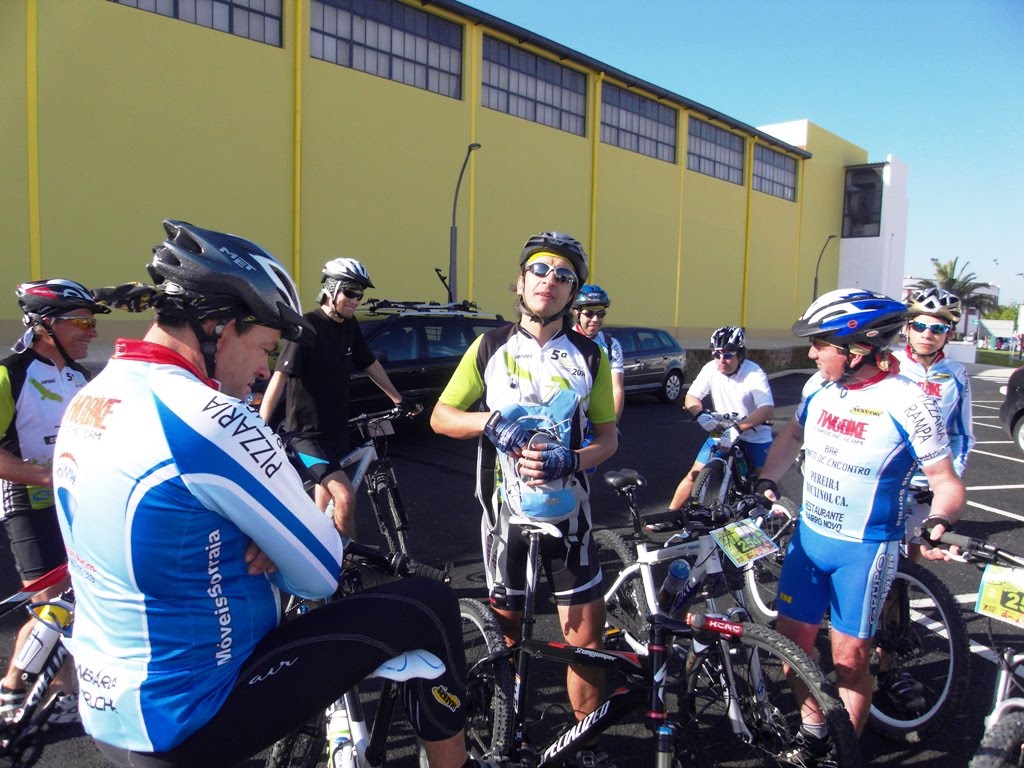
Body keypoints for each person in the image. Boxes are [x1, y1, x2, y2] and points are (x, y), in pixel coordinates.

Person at [52, 220, 485, 768]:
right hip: (194, 710)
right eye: (263, 347)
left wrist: (249, 534)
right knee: (430, 606)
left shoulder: (93, 394)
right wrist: (280, 541)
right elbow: (319, 574)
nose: (263, 370)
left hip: (110, 707)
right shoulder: (209, 418)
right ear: (217, 327)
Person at [430, 231, 618, 768]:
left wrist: (572, 460)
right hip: (505, 517)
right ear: (520, 282)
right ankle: (506, 726)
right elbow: (442, 416)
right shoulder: (490, 347)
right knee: (506, 635)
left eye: (563, 276)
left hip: (570, 517)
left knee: (584, 639)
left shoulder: (590, 355)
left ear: (572, 293)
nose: (549, 281)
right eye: (539, 269)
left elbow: (608, 438)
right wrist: (490, 423)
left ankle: (585, 745)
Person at [753, 288, 965, 753]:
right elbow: (793, 434)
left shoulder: (908, 401)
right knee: (791, 653)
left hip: (864, 550)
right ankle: (813, 733)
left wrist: (940, 519)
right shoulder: (818, 387)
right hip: (810, 539)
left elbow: (946, 481)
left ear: (857, 349)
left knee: (849, 660)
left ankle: (843, 752)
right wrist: (767, 477)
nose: (811, 354)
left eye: (819, 345)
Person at [0, 278, 109, 724]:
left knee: (71, 600)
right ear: (45, 324)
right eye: (82, 322)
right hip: (27, 500)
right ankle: (11, 688)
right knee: (51, 605)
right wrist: (47, 474)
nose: (92, 331)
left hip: (75, 502)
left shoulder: (80, 377)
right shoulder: (11, 373)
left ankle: (63, 693)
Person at [258, 257, 419, 539]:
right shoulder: (307, 327)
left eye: (360, 294)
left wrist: (398, 399)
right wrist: (259, 427)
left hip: (336, 433)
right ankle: (344, 560)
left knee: (324, 506)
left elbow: (370, 364)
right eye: (350, 292)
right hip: (305, 438)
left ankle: (317, 551)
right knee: (345, 496)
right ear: (331, 290)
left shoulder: (349, 326)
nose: (356, 300)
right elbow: (279, 378)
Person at [646, 326, 774, 532]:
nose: (722, 360)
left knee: (765, 478)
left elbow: (767, 409)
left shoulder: (753, 372)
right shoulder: (710, 369)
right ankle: (671, 515)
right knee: (695, 473)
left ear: (740, 354)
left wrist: (739, 428)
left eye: (728, 354)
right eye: (716, 354)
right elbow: (691, 397)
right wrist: (699, 414)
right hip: (722, 429)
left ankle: (774, 518)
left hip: (754, 433)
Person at [893, 288, 975, 555]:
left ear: (949, 334)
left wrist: (947, 480)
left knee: (913, 559)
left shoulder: (956, 374)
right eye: (919, 326)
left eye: (938, 328)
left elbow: (961, 435)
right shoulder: (889, 364)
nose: (927, 334)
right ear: (907, 328)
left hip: (926, 484)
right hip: (887, 478)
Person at [572, 284, 624, 422]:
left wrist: (612, 424)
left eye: (600, 313)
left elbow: (616, 389)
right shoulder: (565, 341)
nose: (595, 319)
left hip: (599, 418)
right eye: (589, 313)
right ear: (576, 313)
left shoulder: (611, 345)